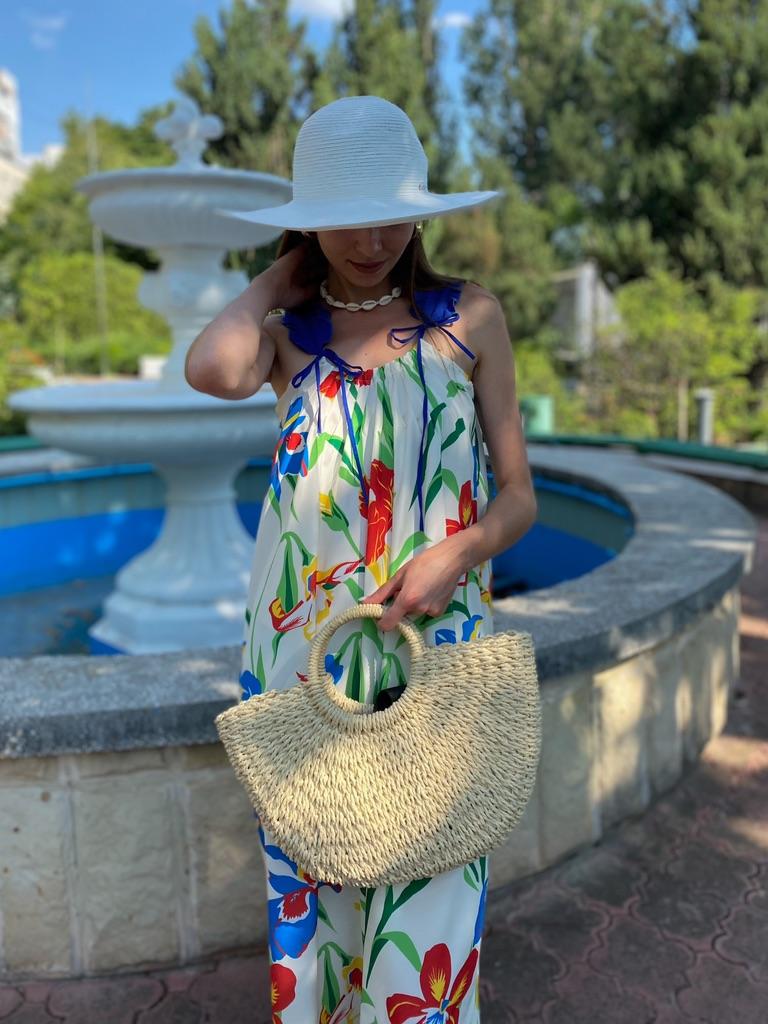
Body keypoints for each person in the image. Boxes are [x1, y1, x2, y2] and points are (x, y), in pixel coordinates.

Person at [186, 95, 537, 1024]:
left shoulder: (469, 319)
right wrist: (277, 279)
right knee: (318, 911)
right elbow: (209, 370)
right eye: (345, 217)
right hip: (305, 654)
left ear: (420, 213)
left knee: (432, 905)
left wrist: (459, 552)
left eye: (391, 215)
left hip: (439, 645)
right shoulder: (284, 340)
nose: (374, 240)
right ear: (307, 221)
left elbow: (519, 496)